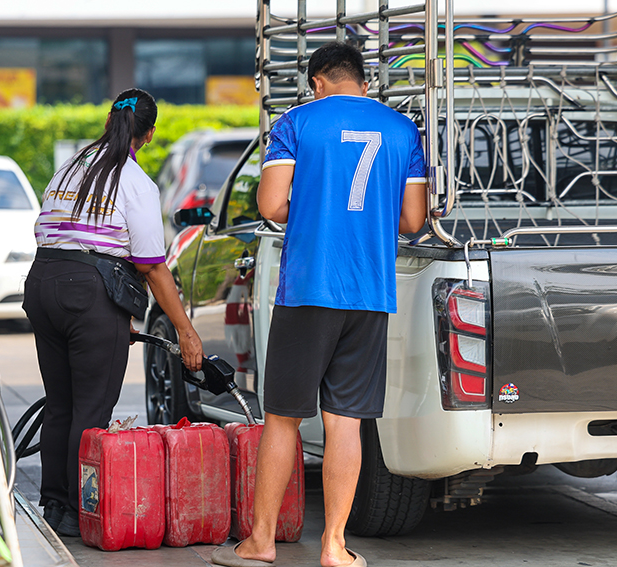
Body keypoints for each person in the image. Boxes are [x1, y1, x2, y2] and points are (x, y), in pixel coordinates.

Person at [211, 41, 427, 567]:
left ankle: (261, 542)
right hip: (370, 293)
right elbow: (413, 221)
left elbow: (270, 205)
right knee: (346, 422)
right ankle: (334, 546)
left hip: (309, 288)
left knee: (283, 417)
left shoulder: (296, 123)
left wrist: (315, 205)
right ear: (363, 82)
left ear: (317, 83)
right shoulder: (403, 131)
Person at [22, 88, 204, 537]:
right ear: (150, 133)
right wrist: (185, 331)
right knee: (92, 406)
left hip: (42, 282)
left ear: (109, 120)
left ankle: (54, 504)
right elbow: (152, 267)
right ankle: (79, 512)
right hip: (88, 292)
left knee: (61, 402)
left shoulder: (68, 168)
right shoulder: (135, 182)